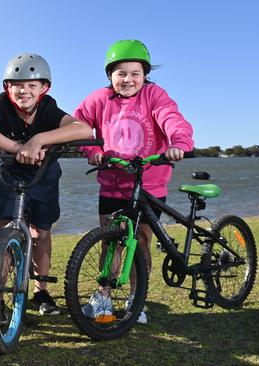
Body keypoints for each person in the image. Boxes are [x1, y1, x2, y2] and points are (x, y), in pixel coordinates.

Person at [75, 40, 194, 324]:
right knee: (109, 241)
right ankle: (103, 296)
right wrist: (93, 151)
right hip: (113, 182)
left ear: (145, 74)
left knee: (140, 243)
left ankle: (136, 299)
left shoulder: (155, 95)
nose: (128, 79)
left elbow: (171, 118)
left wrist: (178, 142)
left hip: (149, 183)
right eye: (121, 73)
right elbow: (78, 125)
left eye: (135, 73)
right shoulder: (98, 98)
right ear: (110, 76)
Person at [0, 53, 93, 315]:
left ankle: (41, 292)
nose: (23, 90)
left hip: (43, 176)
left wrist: (38, 139)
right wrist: (19, 148)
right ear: (7, 87)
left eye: (31, 85)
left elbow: (83, 130)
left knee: (41, 233)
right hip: (11, 174)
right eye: (17, 85)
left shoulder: (48, 106)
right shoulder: (1, 103)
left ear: (44, 88)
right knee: (5, 229)